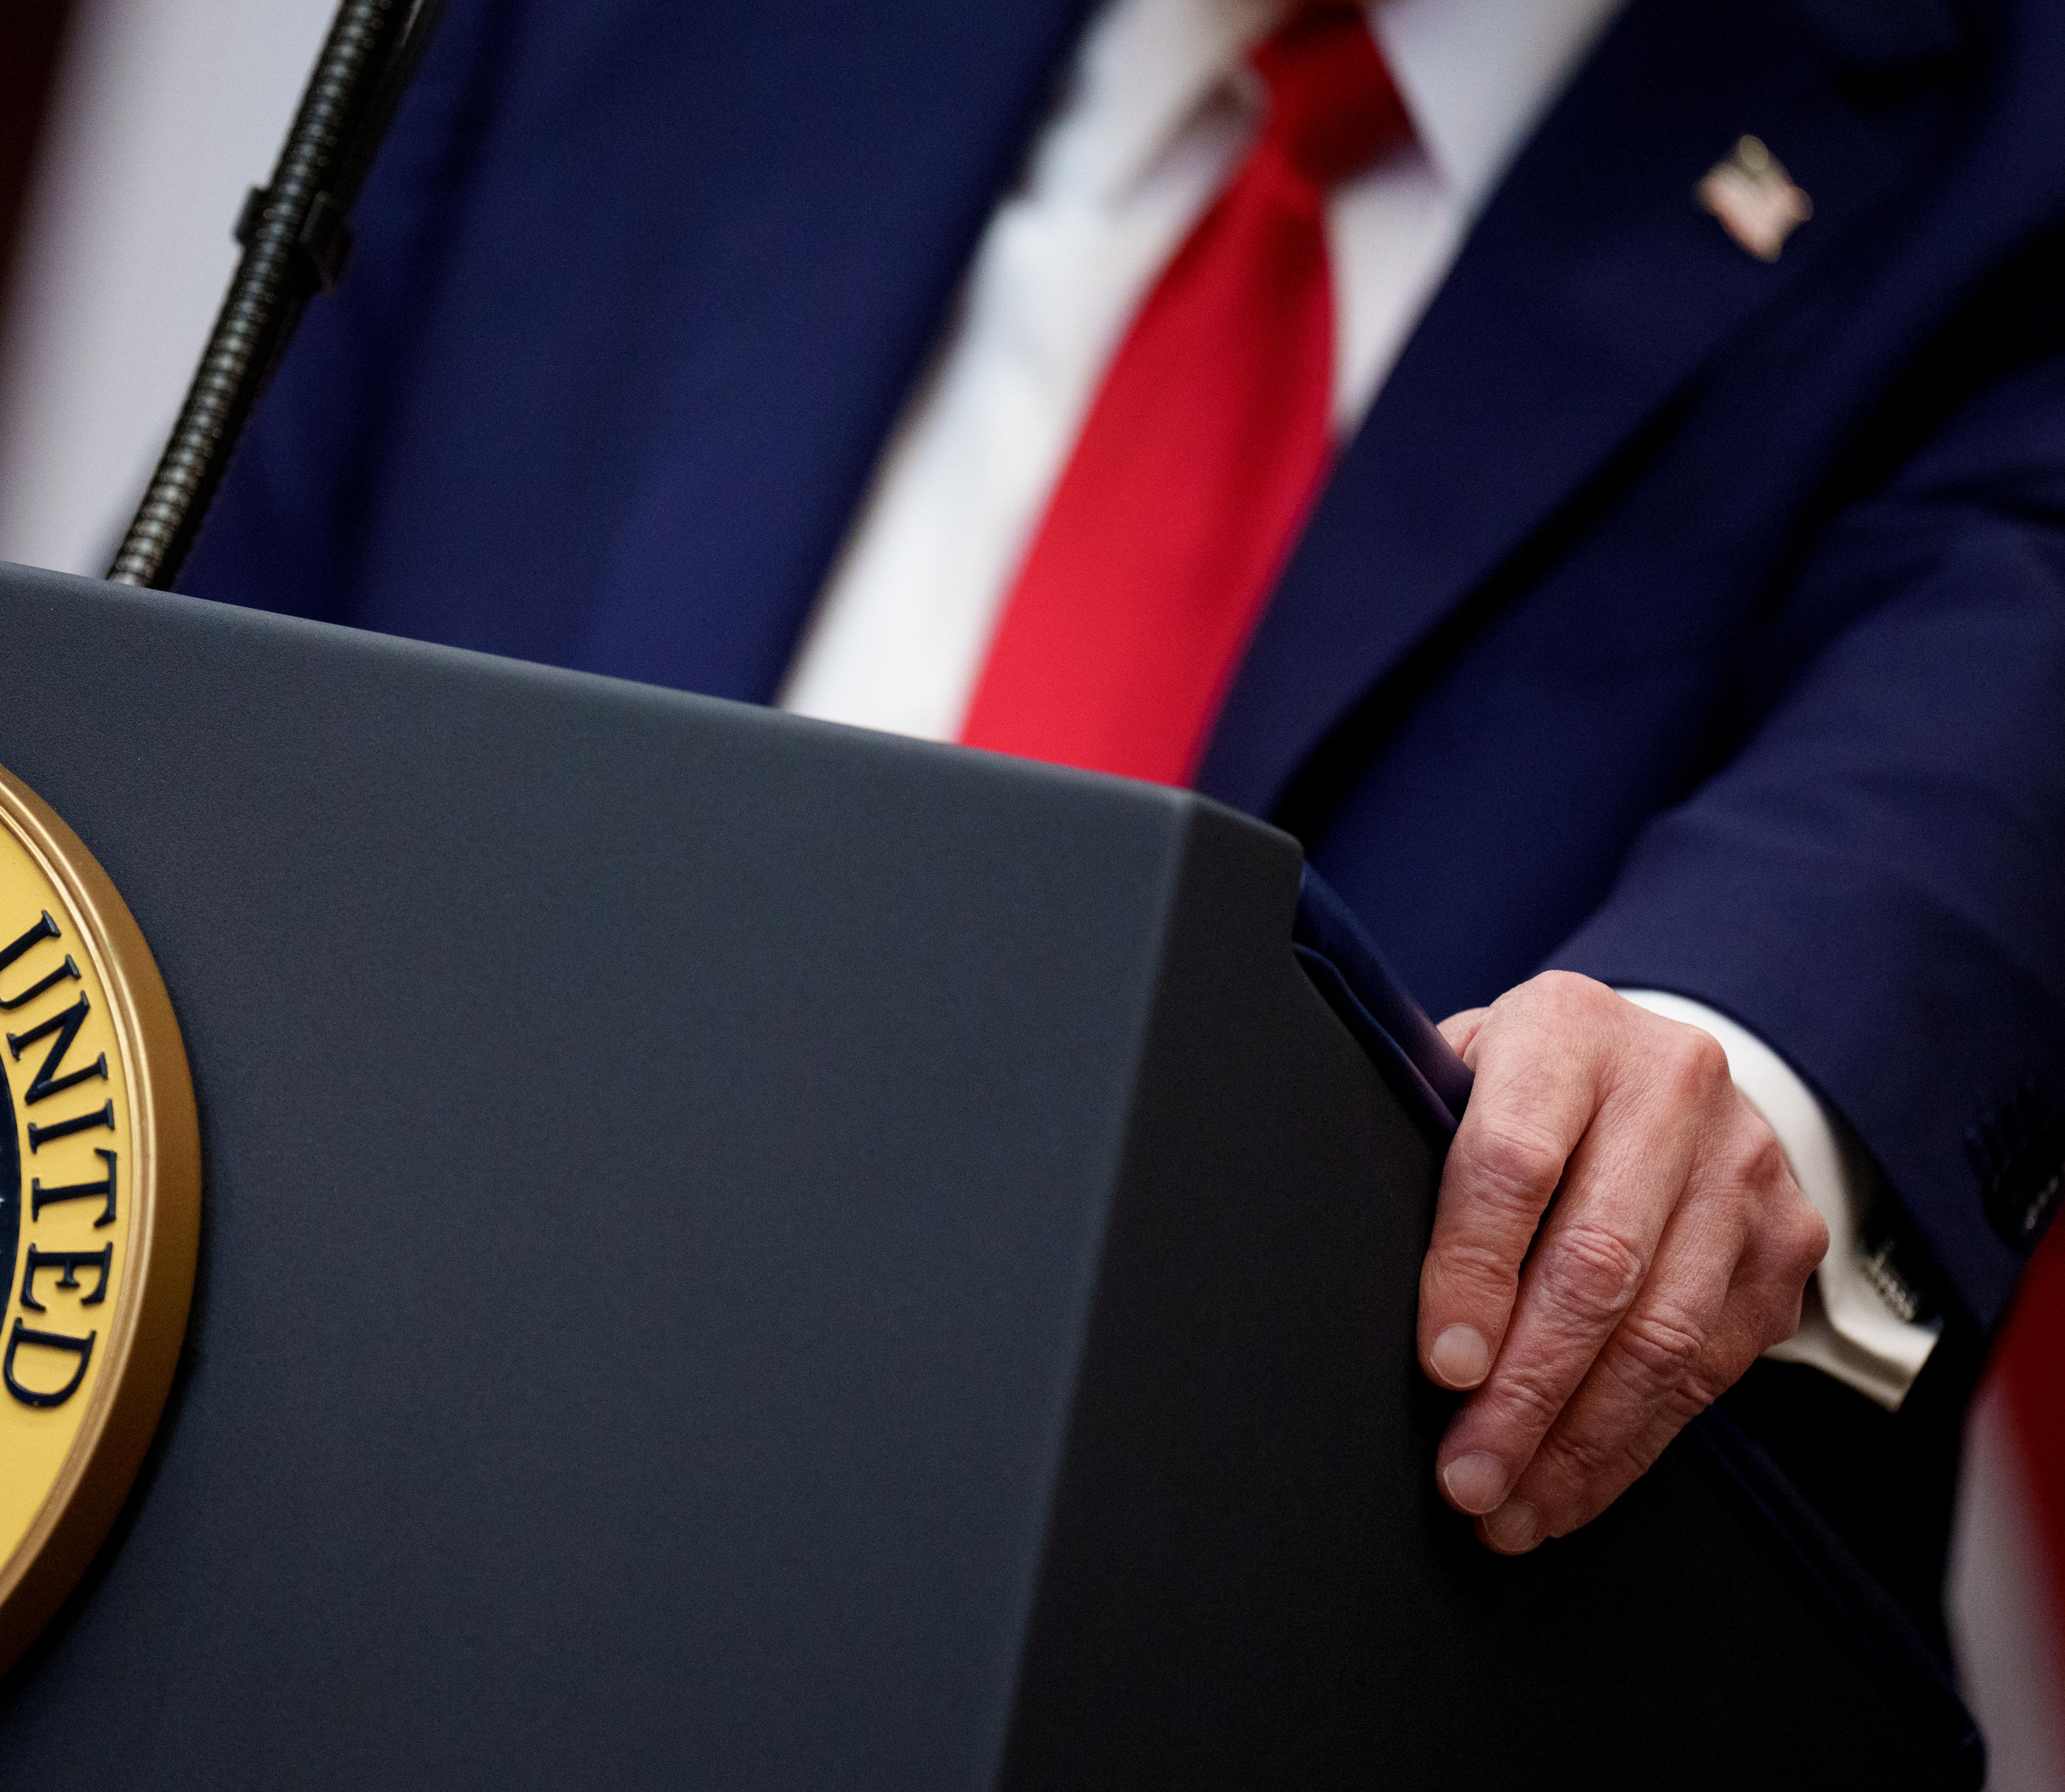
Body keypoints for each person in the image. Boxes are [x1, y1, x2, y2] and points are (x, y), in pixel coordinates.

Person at [183, 0, 2065, 1663]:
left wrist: (1713, 1091)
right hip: (345, 1657)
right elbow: (171, 784)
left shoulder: (2002, 139)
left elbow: (1949, 786)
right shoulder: (623, 33)